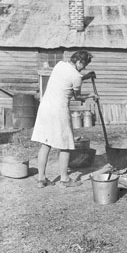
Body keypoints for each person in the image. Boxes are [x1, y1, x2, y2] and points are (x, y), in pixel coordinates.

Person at [31, 50, 98, 188]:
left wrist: (85, 76)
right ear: (79, 61)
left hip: (45, 108)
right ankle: (64, 179)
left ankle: (41, 180)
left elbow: (68, 79)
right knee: (66, 145)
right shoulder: (76, 76)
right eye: (84, 65)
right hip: (59, 110)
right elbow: (77, 96)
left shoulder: (60, 65)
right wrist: (90, 95)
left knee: (45, 143)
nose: (83, 68)